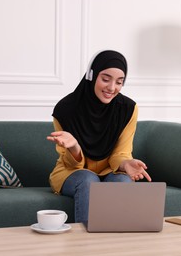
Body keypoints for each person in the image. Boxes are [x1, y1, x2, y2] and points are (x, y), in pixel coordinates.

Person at [47, 50, 151, 223]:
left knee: (123, 181)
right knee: (89, 179)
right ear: (91, 76)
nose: (112, 88)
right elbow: (70, 164)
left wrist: (126, 164)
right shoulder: (66, 109)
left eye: (119, 82)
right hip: (72, 173)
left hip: (110, 171)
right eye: (105, 79)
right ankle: (85, 246)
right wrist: (74, 147)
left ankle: (117, 246)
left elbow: (120, 153)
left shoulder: (128, 109)